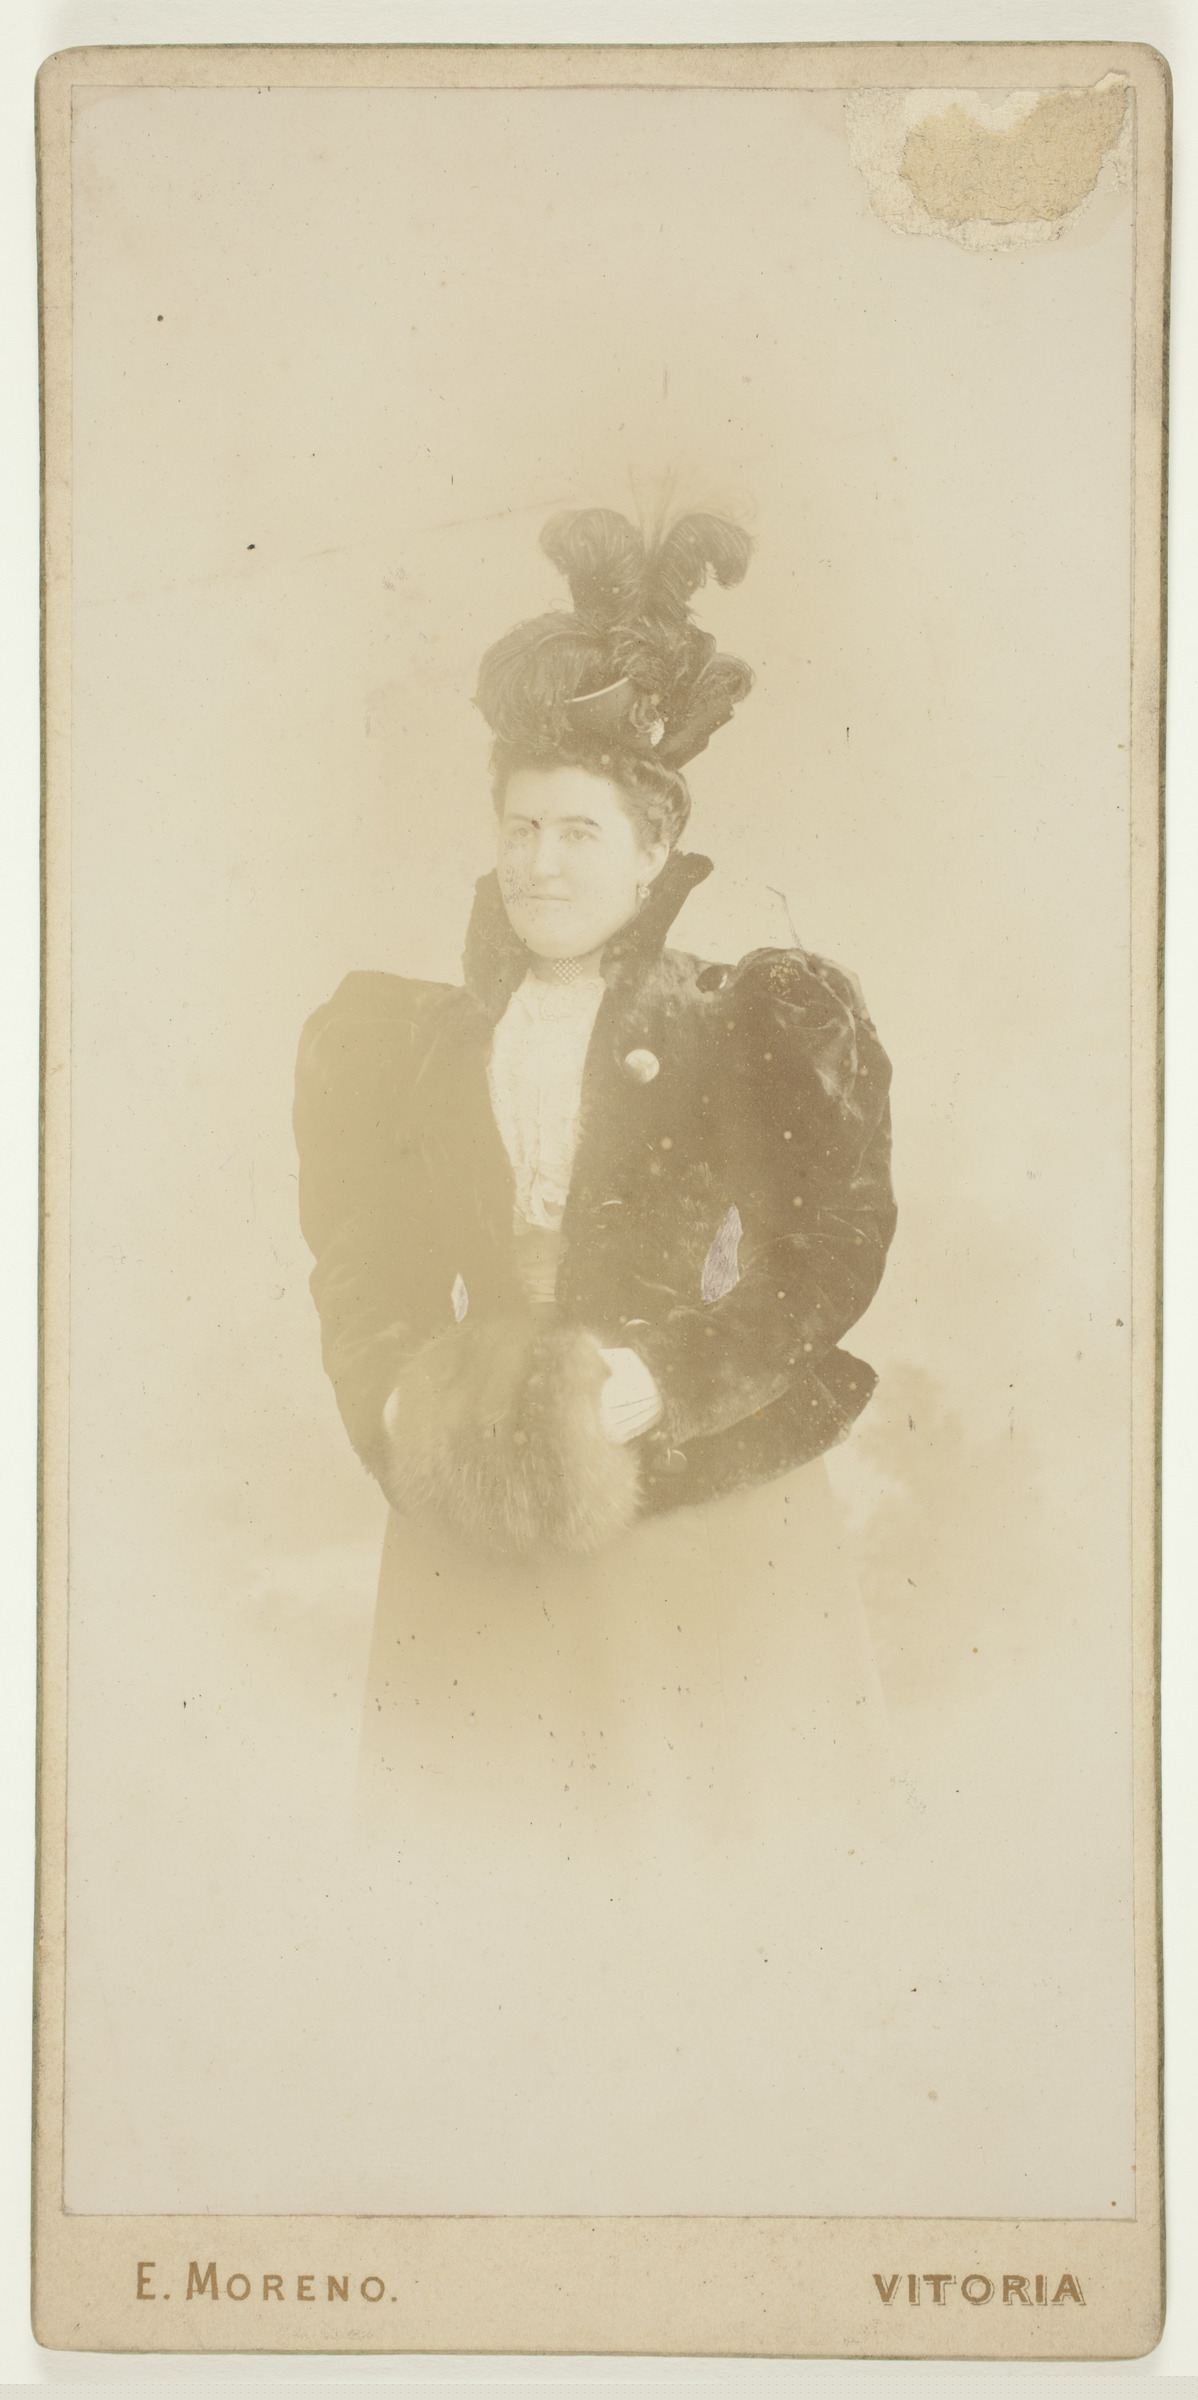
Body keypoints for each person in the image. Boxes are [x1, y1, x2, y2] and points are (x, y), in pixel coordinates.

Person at [294, 506, 897, 1861]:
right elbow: (364, 1256)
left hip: (694, 1493)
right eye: (520, 828)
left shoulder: (749, 1017)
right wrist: (393, 1389)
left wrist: (667, 1381)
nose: (541, 863)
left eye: (578, 831)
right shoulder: (409, 1039)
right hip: (479, 1491)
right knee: (487, 1850)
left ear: (649, 852)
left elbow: (823, 1259)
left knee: (701, 1853)